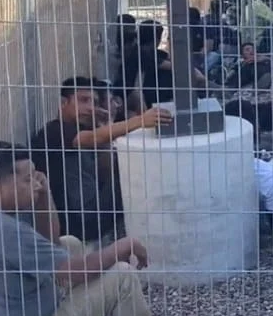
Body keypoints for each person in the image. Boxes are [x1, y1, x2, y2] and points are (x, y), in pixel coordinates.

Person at [0, 141, 200, 316]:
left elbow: (51, 245)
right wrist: (122, 245)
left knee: (70, 244)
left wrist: (44, 195)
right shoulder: (3, 230)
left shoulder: (6, 215)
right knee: (120, 277)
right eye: (28, 180)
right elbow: (76, 271)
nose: (36, 184)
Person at [30, 77, 173, 242]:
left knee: (132, 169)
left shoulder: (82, 131)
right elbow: (92, 138)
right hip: (79, 221)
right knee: (139, 174)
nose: (90, 107)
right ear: (63, 102)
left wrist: (105, 126)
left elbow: (105, 170)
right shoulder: (54, 130)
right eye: (83, 100)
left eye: (94, 102)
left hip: (94, 212)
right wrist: (140, 121)